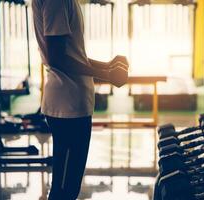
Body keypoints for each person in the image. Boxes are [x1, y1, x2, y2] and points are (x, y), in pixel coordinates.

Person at [32, 0, 128, 199]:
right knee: (65, 190)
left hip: (70, 104)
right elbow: (57, 59)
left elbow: (72, 55)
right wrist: (107, 75)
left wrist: (106, 67)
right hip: (68, 106)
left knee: (66, 187)